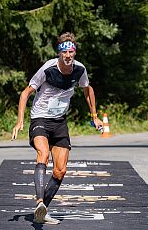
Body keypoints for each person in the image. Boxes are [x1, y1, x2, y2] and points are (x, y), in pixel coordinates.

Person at [11, 32, 103, 224]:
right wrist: (20, 121)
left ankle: (42, 210)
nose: (68, 56)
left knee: (60, 170)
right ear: (59, 53)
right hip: (40, 119)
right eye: (64, 52)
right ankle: (39, 201)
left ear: (75, 52)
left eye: (71, 51)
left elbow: (88, 89)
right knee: (43, 154)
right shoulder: (48, 69)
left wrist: (94, 116)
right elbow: (26, 92)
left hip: (59, 121)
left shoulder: (80, 69)